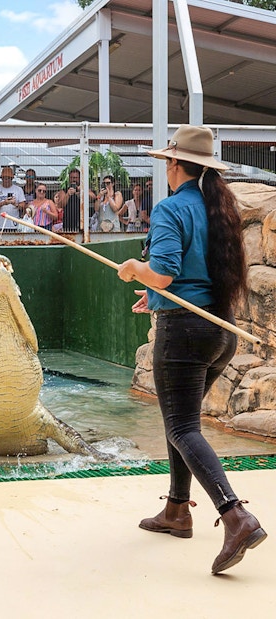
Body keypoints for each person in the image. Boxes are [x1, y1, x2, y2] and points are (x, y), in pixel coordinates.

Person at [117, 125, 267, 575]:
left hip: (184, 334)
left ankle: (236, 516)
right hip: (220, 331)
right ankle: (178, 509)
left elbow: (162, 271)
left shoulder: (170, 209)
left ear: (175, 164)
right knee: (179, 419)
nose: (165, 167)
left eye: (167, 161)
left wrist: (133, 270)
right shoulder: (216, 208)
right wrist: (156, 297)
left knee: (182, 427)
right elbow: (188, 280)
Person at [0, 166, 26, 231]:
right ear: (2, 178)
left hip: (14, 225)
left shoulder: (18, 189)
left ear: (12, 178)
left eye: (8, 178)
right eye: (5, 178)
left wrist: (15, 204)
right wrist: (4, 203)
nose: (6, 180)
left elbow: (23, 206)